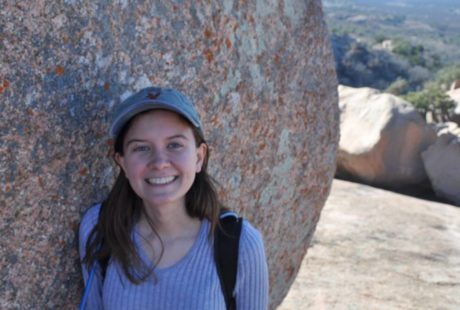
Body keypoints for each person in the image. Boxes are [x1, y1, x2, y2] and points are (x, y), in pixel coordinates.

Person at [79, 86, 269, 309]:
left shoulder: (239, 243)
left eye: (174, 145)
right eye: (141, 148)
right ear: (122, 162)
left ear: (199, 157)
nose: (159, 162)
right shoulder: (99, 228)